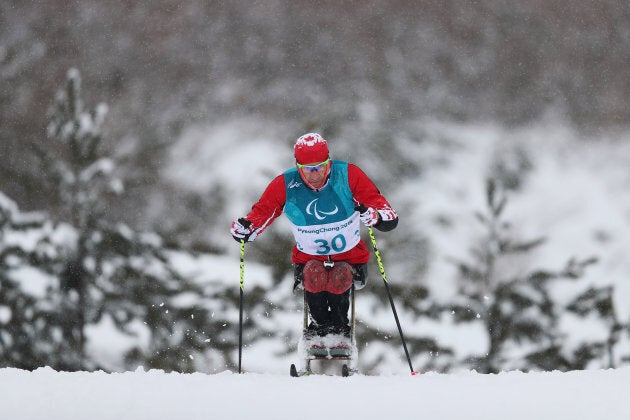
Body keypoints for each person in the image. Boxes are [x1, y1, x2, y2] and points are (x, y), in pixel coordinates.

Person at [230, 133, 398, 339]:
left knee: (340, 275)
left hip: (351, 258)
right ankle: (318, 327)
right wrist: (246, 228)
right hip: (309, 259)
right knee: (315, 274)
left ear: (329, 162)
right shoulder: (286, 184)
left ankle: (338, 328)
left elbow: (386, 213)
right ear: (298, 167)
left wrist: (377, 217)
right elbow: (262, 212)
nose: (315, 175)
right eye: (307, 170)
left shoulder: (348, 175)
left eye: (320, 167)